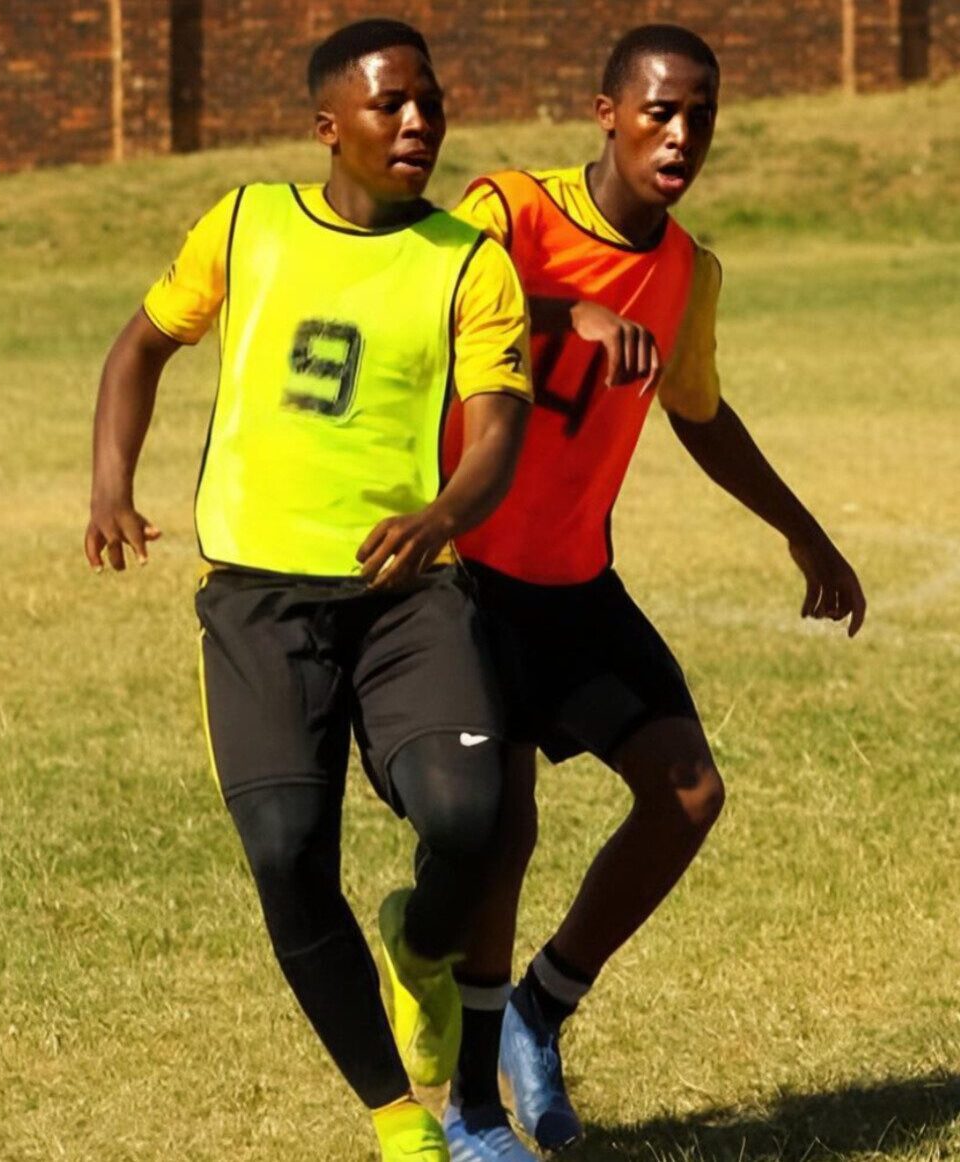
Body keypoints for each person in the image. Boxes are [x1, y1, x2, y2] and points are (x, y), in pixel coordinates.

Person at [82, 20, 532, 1161]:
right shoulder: (246, 224)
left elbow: (498, 433)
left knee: (472, 818)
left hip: (407, 587)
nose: (420, 122)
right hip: (257, 602)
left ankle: (420, 947)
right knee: (286, 848)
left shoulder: (470, 261)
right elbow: (139, 345)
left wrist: (443, 515)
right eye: (392, 105)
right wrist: (110, 487)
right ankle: (399, 1120)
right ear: (329, 125)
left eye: (430, 101)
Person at [435, 25, 866, 1159]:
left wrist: (804, 533)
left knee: (687, 794)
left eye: (701, 117)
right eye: (661, 112)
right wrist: (562, 312)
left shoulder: (686, 273)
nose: (681, 136)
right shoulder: (507, 211)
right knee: (504, 825)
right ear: (607, 112)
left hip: (574, 581)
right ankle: (472, 1103)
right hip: (464, 573)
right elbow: (427, 308)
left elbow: (701, 414)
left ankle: (539, 1008)